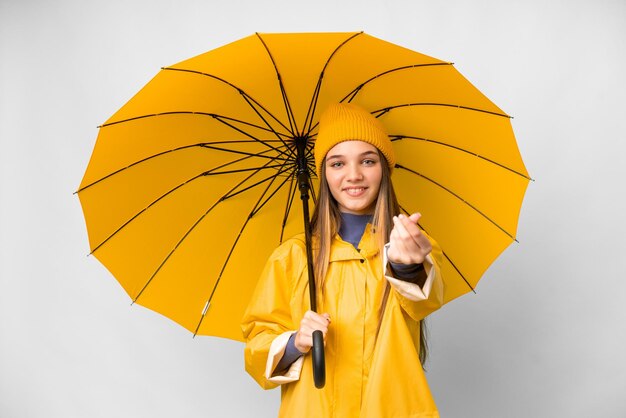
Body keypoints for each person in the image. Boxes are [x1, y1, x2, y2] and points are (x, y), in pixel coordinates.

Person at [241, 102, 445, 417]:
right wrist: (296, 341)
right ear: (323, 173)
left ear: (384, 169)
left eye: (367, 160)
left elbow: (423, 302)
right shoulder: (294, 257)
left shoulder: (407, 244)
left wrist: (407, 266)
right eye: (337, 163)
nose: (354, 175)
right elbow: (257, 348)